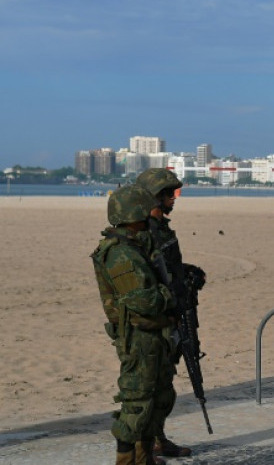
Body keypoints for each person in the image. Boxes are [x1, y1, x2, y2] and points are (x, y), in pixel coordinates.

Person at [92, 185, 177, 465]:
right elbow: (144, 301)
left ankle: (144, 457)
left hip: (151, 333)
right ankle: (126, 460)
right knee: (137, 401)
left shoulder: (136, 245)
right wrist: (170, 293)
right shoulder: (121, 253)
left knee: (159, 396)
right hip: (138, 337)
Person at [135, 168, 204, 459]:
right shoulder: (143, 231)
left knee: (165, 387)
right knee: (149, 389)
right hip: (156, 319)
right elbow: (146, 278)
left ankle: (158, 439)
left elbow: (168, 266)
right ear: (156, 196)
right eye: (170, 194)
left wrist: (187, 273)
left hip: (173, 316)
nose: (174, 200)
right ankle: (144, 447)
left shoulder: (161, 228)